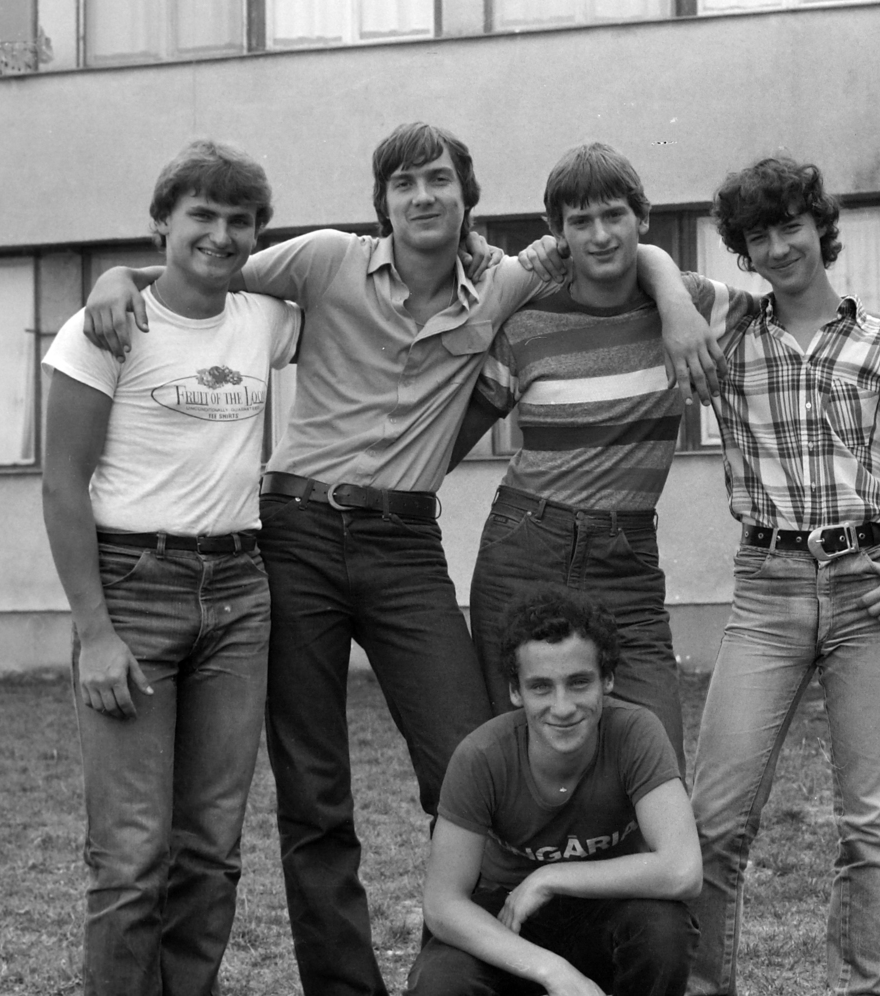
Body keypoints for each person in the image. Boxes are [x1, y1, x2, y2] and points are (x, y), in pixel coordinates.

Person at [79, 123, 723, 996]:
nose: (423, 196)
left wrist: (676, 298)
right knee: (314, 791)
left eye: (439, 181)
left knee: (465, 754)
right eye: (405, 183)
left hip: (405, 545)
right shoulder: (323, 260)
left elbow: (612, 240)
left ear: (466, 199)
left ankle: (464, 966)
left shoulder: (503, 282)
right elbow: (208, 268)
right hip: (297, 534)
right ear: (382, 202)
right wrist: (121, 277)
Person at [452, 143, 880, 773]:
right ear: (557, 231)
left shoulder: (698, 306)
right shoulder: (529, 323)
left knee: (654, 760)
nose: (600, 234)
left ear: (643, 217)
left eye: (614, 216)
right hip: (526, 540)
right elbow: (451, 435)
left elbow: (809, 313)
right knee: (514, 750)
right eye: (580, 222)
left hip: (625, 555)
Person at [684, 157, 880, 996]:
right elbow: (642, 273)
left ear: (821, 227)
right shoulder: (728, 340)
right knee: (714, 817)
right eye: (758, 236)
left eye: (792, 226)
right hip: (767, 583)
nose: (779, 247)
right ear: (742, 251)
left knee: (871, 823)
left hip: (870, 585)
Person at [39, 140, 301, 996]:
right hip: (133, 589)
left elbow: (363, 293)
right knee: (130, 853)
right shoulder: (105, 328)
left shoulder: (266, 318)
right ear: (162, 222)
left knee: (211, 848)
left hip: (238, 592)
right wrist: (95, 632)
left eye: (240, 221)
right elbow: (62, 484)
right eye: (202, 215)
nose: (221, 235)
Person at [407, 587, 702, 996]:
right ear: (516, 692)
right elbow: (442, 904)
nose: (562, 707)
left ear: (607, 680)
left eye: (579, 682)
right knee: (440, 981)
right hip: (509, 915)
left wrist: (550, 877)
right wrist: (552, 970)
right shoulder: (482, 755)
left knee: (664, 932)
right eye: (541, 687)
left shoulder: (636, 733)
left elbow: (683, 870)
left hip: (607, 911)